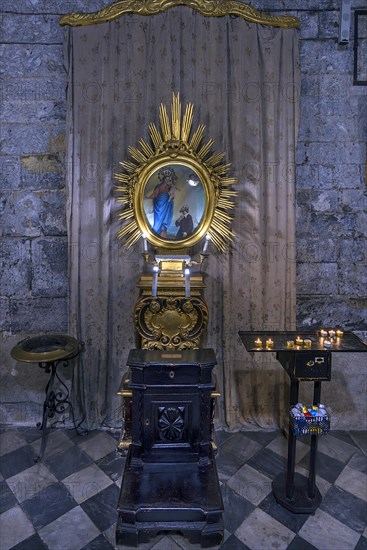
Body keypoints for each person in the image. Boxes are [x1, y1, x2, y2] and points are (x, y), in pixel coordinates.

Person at [146, 168, 178, 238]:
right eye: (166, 179)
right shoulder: (159, 186)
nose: (167, 180)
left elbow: (172, 193)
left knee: (164, 221)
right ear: (163, 179)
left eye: (168, 179)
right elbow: (154, 195)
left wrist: (171, 197)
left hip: (166, 205)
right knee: (158, 221)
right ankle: (156, 233)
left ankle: (163, 233)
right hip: (159, 207)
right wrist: (148, 197)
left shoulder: (169, 187)